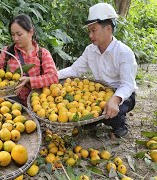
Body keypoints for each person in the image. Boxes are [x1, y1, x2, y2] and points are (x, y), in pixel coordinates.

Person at [58, 3, 137, 137]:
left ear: (108, 29)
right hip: (98, 93)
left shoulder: (124, 53)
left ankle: (119, 122)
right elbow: (75, 70)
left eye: (93, 30)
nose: (90, 35)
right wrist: (52, 75)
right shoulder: (90, 50)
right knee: (83, 115)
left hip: (123, 95)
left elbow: (127, 85)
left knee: (109, 112)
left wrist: (115, 99)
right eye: (89, 31)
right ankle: (96, 120)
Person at [0, 14, 58, 105]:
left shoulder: (42, 54)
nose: (15, 38)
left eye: (19, 34)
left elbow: (53, 77)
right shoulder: (7, 53)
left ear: (31, 32)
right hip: (11, 105)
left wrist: (30, 80)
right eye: (13, 35)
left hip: (38, 104)